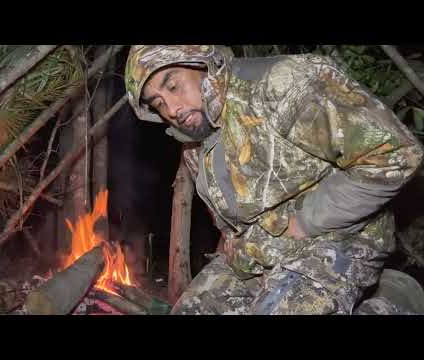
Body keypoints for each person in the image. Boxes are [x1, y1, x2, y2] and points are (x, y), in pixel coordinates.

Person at [124, 45, 424, 315]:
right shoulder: (196, 139)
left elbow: (396, 154)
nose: (173, 109)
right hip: (257, 254)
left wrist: (305, 221)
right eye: (159, 103)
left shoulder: (283, 84)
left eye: (174, 85)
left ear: (201, 60)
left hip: (336, 238)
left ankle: (392, 302)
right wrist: (234, 240)